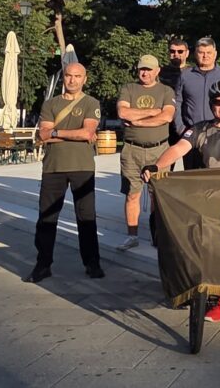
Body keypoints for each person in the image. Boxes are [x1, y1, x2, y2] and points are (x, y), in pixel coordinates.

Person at [142, 81, 220, 328]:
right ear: (211, 104)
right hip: (208, 201)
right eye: (218, 102)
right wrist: (157, 166)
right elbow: (178, 149)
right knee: (214, 252)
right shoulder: (199, 130)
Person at [25, 62, 103, 283]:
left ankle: (92, 263)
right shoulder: (51, 104)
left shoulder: (91, 103)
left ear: (84, 79)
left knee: (86, 217)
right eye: (69, 75)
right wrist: (72, 134)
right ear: (63, 78)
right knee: (47, 218)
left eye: (77, 76)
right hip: (53, 167)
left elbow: (87, 132)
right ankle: (43, 264)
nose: (72, 80)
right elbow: (43, 135)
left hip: (82, 167)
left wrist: (55, 133)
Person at [115, 55, 176, 251]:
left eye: (149, 69)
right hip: (132, 149)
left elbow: (167, 116)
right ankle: (132, 235)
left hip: (159, 150)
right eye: (142, 69)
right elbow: (123, 113)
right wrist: (153, 111)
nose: (145, 73)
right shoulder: (129, 89)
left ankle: (156, 235)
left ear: (157, 71)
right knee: (132, 194)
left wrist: (137, 121)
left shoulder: (166, 91)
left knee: (156, 194)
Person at [176, 37, 220, 168]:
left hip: (219, 135)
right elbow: (178, 103)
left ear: (215, 54)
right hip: (192, 135)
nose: (205, 56)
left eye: (209, 52)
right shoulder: (185, 75)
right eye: (201, 52)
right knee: (192, 175)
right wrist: (180, 128)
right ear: (195, 54)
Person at [161, 38, 191, 149]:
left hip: (187, 121)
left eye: (180, 51)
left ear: (187, 53)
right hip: (166, 123)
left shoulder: (193, 73)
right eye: (172, 51)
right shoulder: (160, 73)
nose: (176, 54)